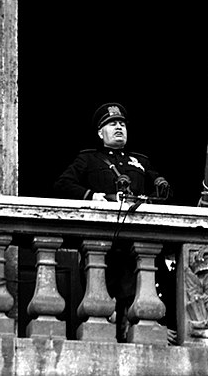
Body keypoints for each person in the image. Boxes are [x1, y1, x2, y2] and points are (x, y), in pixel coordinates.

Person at [54, 102, 172, 343]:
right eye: (112, 124)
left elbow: (161, 190)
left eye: (122, 124)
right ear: (101, 133)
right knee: (103, 302)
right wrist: (92, 196)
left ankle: (133, 333)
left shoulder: (141, 161)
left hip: (135, 245)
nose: (119, 127)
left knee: (135, 297)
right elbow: (63, 185)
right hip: (104, 244)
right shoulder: (89, 159)